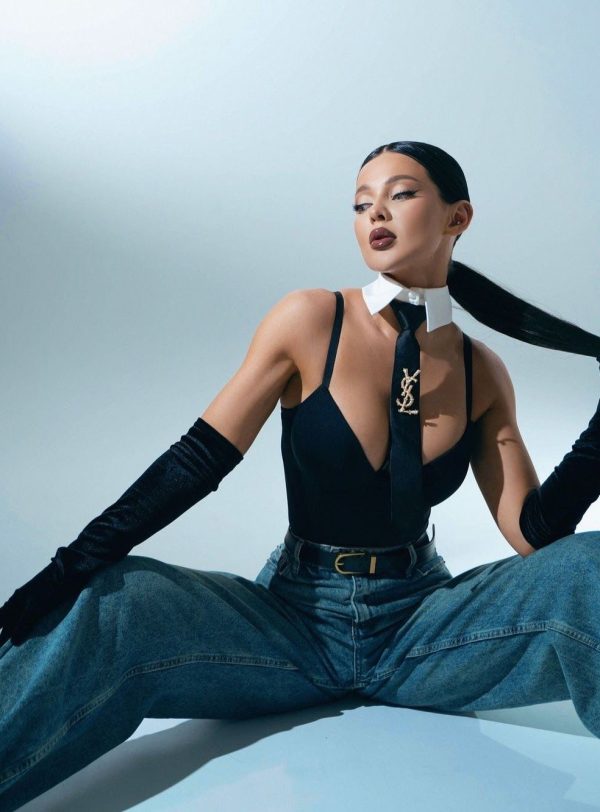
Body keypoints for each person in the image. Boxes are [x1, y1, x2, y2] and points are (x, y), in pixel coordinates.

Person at [1, 141, 599, 810]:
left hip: (422, 628)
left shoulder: (481, 370)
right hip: (292, 622)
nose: (376, 214)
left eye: (401, 194)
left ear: (458, 217)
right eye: (361, 204)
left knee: (592, 565)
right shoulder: (312, 321)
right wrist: (69, 566)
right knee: (115, 600)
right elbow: (197, 461)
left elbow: (535, 534)